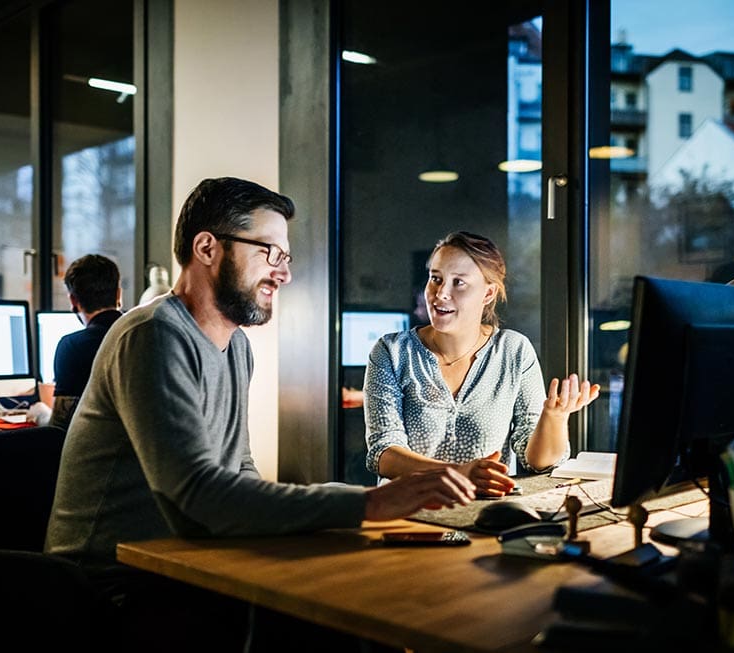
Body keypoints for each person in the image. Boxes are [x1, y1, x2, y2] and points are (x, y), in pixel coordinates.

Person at [45, 177, 474, 652]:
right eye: (269, 252)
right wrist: (368, 504)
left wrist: (352, 511)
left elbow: (240, 471)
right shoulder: (152, 335)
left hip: (193, 565)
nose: (283, 273)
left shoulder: (236, 348)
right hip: (114, 589)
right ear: (207, 248)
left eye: (284, 257)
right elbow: (198, 499)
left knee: (362, 602)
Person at [365, 231, 600, 497]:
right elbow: (383, 453)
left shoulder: (514, 351)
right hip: (407, 515)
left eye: (459, 283)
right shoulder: (391, 351)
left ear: (488, 293)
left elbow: (537, 461)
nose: (441, 293)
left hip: (487, 516)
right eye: (436, 279)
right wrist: (458, 475)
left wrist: (555, 418)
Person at [49, 254, 123, 431]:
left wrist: (40, 414)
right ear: (119, 294)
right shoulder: (141, 334)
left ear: (73, 301)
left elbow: (60, 427)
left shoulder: (72, 346)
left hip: (94, 452)